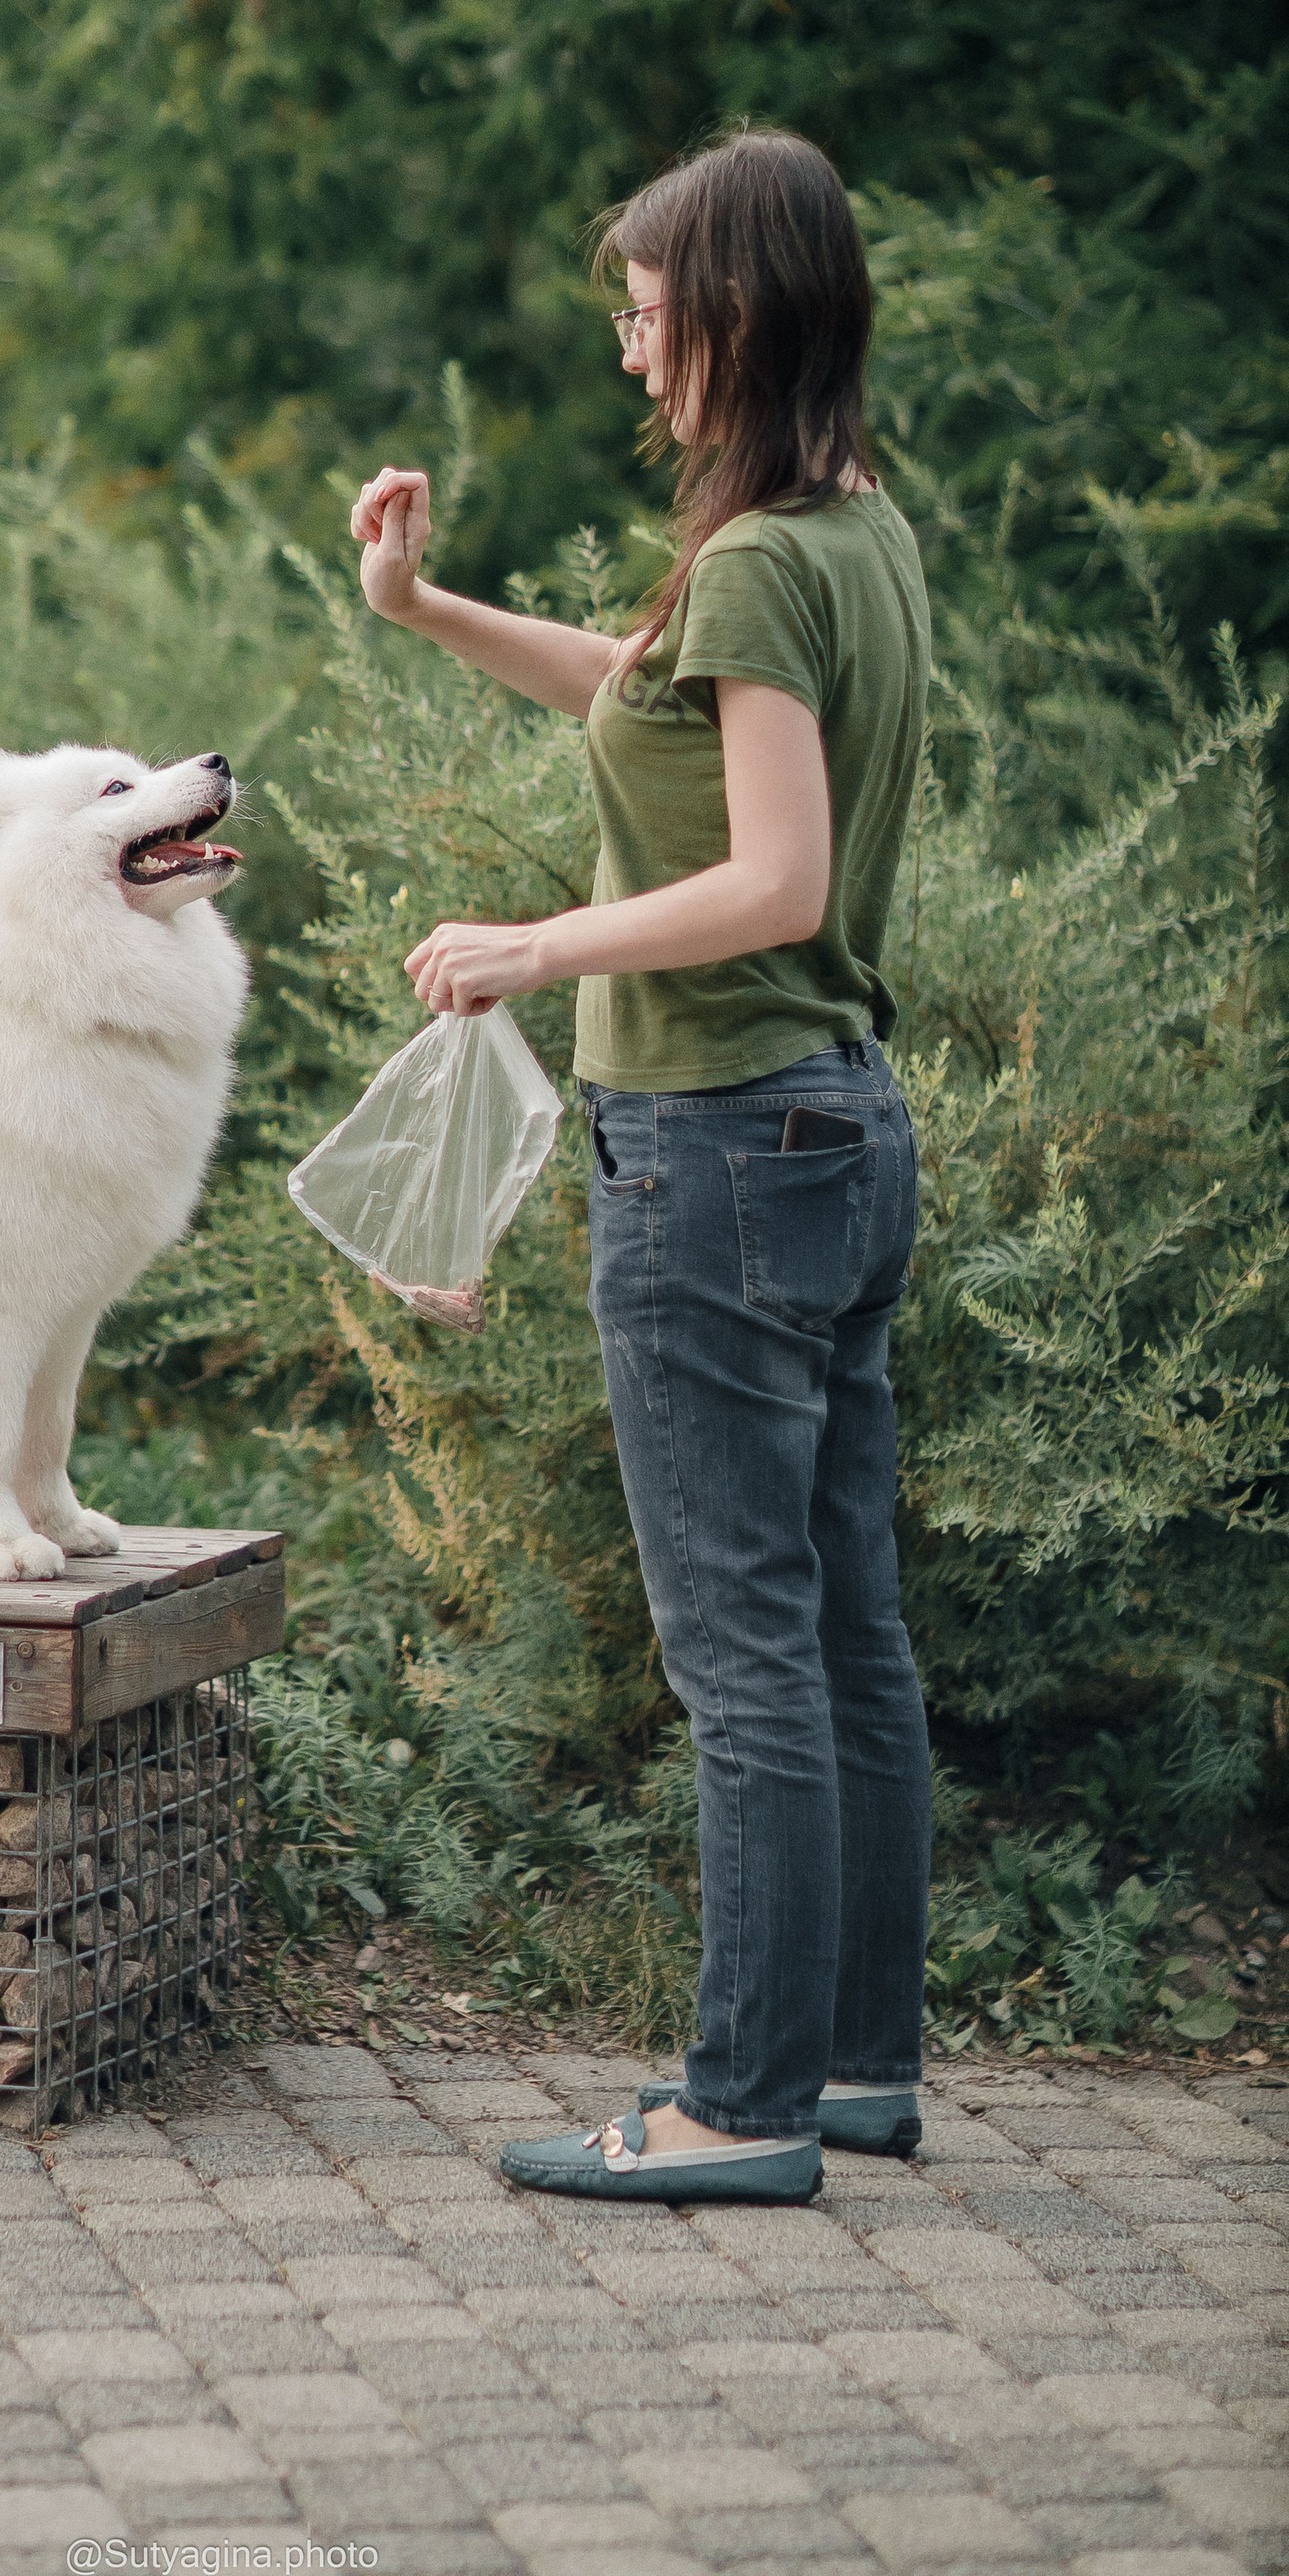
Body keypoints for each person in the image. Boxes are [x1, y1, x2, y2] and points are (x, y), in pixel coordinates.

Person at [347, 127, 931, 2204]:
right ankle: (854, 2066)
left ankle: (736, 2104)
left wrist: (533, 946)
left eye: (641, 300)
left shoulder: (769, 553)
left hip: (719, 1150)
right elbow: (653, 706)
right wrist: (424, 612)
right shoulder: (846, 527)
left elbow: (766, 874)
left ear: (730, 311)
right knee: (841, 1634)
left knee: (746, 1656)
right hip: (838, 1135)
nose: (624, 341)